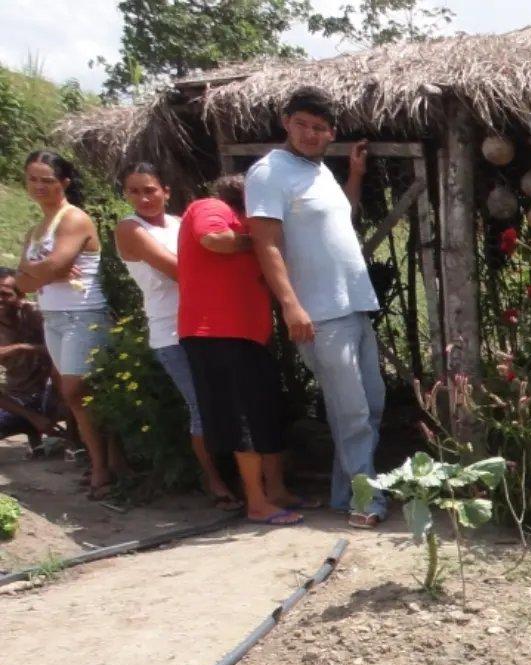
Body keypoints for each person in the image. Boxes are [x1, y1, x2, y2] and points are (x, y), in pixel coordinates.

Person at [247, 86, 387, 528]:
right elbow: (266, 244)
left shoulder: (318, 170)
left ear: (331, 133)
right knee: (352, 413)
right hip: (319, 314)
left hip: (354, 305)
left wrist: (356, 176)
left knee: (371, 405)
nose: (310, 133)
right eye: (302, 124)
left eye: (319, 127)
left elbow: (338, 217)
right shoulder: (268, 173)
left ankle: (345, 493)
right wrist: (291, 306)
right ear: (286, 123)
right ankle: (365, 500)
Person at [115, 163, 242, 509]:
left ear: (166, 191)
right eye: (134, 191)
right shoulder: (130, 228)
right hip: (171, 331)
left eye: (150, 190)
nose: (144, 198)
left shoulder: (179, 223)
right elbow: (179, 270)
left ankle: (237, 475)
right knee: (201, 406)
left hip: (209, 323)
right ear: (126, 195)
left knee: (228, 402)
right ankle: (213, 480)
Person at [178, 175, 303, 526]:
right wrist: (258, 242)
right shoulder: (211, 207)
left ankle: (275, 491)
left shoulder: (248, 224)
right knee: (242, 419)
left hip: (248, 334)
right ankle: (257, 503)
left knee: (265, 412)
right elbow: (213, 239)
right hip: (214, 332)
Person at [15, 150, 114, 497]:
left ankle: (104, 467)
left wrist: (39, 271)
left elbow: (51, 267)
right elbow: (22, 283)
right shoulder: (36, 229)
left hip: (82, 313)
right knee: (74, 396)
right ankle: (100, 461)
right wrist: (41, 272)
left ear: (64, 183)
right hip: (53, 316)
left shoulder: (73, 219)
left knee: (77, 391)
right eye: (33, 179)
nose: (39, 186)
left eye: (47, 180)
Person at [0, 267, 60, 449]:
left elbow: (62, 350)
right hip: (17, 399)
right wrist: (31, 417)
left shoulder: (38, 315)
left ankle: (77, 445)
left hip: (53, 394)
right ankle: (31, 425)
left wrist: (22, 348)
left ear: (20, 295)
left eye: (5, 295)